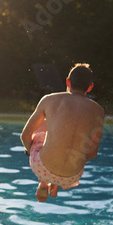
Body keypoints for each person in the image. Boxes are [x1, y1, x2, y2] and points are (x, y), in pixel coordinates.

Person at [20, 63, 105, 202]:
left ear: (67, 82)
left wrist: (31, 151)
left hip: (42, 167)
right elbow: (93, 153)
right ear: (90, 87)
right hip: (72, 175)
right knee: (73, 150)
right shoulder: (99, 111)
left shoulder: (50, 100)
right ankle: (55, 184)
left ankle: (43, 182)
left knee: (43, 126)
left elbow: (24, 136)